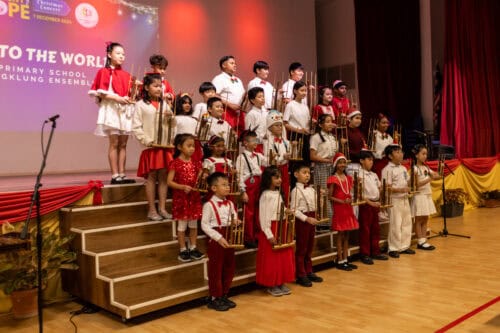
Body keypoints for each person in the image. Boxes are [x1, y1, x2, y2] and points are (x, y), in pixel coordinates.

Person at [88, 42, 136, 184]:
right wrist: (117, 98)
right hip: (112, 109)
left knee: (123, 144)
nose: (122, 56)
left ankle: (122, 174)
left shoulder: (126, 75)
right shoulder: (103, 72)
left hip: (124, 110)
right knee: (114, 143)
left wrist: (133, 92)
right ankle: (115, 175)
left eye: (123, 54)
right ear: (109, 54)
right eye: (118, 53)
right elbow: (101, 93)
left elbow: (131, 93)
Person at [133, 73, 175, 221]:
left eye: (160, 86)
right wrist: (146, 140)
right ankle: (151, 210)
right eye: (155, 86)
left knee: (164, 177)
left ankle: (162, 208)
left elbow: (172, 125)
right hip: (151, 146)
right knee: (151, 177)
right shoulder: (140, 105)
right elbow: (136, 126)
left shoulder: (165, 105)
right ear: (146, 87)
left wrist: (171, 123)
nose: (159, 89)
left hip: (164, 146)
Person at [201, 172, 239, 311]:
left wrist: (236, 221)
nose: (228, 187)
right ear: (214, 188)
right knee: (216, 269)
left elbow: (234, 218)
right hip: (217, 237)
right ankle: (214, 297)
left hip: (229, 235)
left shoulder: (229, 203)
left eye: (228, 184)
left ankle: (224, 293)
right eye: (224, 185)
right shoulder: (209, 205)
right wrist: (218, 237)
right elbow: (204, 225)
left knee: (229, 266)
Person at [256, 166, 295, 296]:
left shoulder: (279, 193)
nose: (279, 180)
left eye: (280, 177)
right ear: (268, 179)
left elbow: (279, 210)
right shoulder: (265, 195)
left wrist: (286, 211)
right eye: (276, 177)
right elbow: (263, 217)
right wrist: (269, 234)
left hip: (281, 226)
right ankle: (271, 284)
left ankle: (280, 281)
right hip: (271, 228)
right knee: (272, 258)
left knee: (282, 257)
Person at [167, 134, 205, 262]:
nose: (192, 149)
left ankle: (193, 247)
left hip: (193, 198)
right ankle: (183, 249)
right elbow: (169, 182)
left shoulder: (196, 163)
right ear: (179, 147)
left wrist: (202, 176)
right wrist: (182, 187)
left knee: (193, 225)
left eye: (193, 146)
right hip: (181, 199)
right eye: (188, 146)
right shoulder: (175, 163)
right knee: (182, 226)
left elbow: (199, 178)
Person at [290, 163, 324, 287]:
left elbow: (316, 203)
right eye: (304, 172)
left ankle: (308, 270)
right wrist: (306, 218)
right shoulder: (295, 191)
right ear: (296, 174)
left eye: (309, 173)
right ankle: (300, 274)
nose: (307, 175)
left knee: (310, 247)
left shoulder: (311, 189)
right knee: (302, 248)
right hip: (303, 221)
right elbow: (294, 210)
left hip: (312, 217)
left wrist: (320, 197)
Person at [327, 153, 359, 271]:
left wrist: (349, 199)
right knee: (340, 235)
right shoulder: (333, 179)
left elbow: (349, 192)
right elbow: (329, 197)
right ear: (335, 165)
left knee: (347, 235)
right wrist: (341, 201)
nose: (342, 165)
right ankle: (339, 260)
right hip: (340, 208)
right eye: (340, 163)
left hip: (348, 207)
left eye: (344, 163)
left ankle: (346, 259)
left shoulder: (348, 178)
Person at [381, 144, 414, 258]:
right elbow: (386, 187)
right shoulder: (387, 170)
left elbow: (408, 181)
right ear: (390, 156)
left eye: (401, 152)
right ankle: (393, 248)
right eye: (397, 152)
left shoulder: (403, 168)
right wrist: (401, 189)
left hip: (404, 198)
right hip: (394, 200)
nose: (401, 154)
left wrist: (414, 178)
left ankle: (404, 246)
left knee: (407, 223)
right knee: (395, 224)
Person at [235, 130, 266, 248]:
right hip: (249, 185)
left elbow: (269, 162)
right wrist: (243, 191)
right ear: (245, 143)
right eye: (253, 141)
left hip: (259, 184)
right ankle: (249, 237)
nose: (255, 143)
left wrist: (283, 156)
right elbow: (239, 175)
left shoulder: (258, 155)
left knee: (258, 211)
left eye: (256, 140)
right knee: (249, 213)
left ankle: (258, 236)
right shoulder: (241, 158)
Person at [357, 150, 388, 264]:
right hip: (365, 204)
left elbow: (379, 188)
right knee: (365, 230)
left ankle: (375, 251)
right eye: (369, 160)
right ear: (361, 161)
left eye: (372, 160)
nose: (371, 162)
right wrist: (370, 202)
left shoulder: (374, 174)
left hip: (375, 203)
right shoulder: (359, 175)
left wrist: (382, 192)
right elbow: (359, 194)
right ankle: (365, 254)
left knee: (375, 229)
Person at [309, 114, 337, 230]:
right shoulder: (316, 137)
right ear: (320, 124)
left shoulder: (332, 137)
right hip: (321, 167)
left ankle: (332, 222)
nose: (330, 124)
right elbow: (312, 156)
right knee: (322, 194)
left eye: (331, 121)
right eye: (327, 121)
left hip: (332, 167)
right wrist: (327, 160)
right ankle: (322, 223)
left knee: (332, 194)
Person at [411, 144, 440, 250]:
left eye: (426, 154)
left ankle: (424, 239)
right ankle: (420, 241)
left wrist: (435, 175)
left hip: (427, 195)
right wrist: (430, 178)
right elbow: (416, 184)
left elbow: (436, 175)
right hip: (419, 196)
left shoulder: (426, 167)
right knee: (419, 219)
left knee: (426, 218)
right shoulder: (414, 168)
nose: (425, 156)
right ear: (416, 155)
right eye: (423, 154)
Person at [212, 55, 246, 132]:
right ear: (224, 65)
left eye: (235, 63)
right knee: (228, 134)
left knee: (240, 136)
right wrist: (230, 104)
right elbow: (214, 96)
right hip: (226, 111)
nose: (235, 65)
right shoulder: (219, 79)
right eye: (232, 63)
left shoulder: (238, 80)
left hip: (239, 113)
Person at [264, 110, 291, 203]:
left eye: (280, 125)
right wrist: (283, 157)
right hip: (274, 170)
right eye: (276, 125)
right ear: (270, 127)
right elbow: (269, 159)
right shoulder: (267, 141)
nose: (279, 127)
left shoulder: (284, 140)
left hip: (284, 169)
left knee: (285, 190)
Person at [283, 81, 311, 163]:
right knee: (296, 160)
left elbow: (307, 122)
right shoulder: (290, 105)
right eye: (302, 90)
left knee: (305, 159)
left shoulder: (305, 106)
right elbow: (285, 123)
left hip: (305, 135)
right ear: (295, 91)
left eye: (305, 90)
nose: (304, 93)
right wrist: (298, 130)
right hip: (294, 135)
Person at [174, 93, 203, 164]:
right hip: (181, 147)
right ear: (178, 104)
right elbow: (173, 134)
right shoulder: (175, 118)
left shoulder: (194, 120)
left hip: (194, 147)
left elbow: (198, 134)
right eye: (184, 103)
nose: (188, 105)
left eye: (189, 103)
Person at [245, 87, 268, 153]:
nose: (262, 98)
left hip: (266, 144)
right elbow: (249, 134)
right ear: (252, 100)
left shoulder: (266, 112)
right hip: (257, 146)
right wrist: (261, 139)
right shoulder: (251, 114)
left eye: (263, 96)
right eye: (259, 97)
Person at [372, 113, 394, 178]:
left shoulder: (389, 137)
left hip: (389, 163)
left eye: (387, 123)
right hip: (378, 164)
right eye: (383, 123)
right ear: (377, 124)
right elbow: (372, 151)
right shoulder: (373, 135)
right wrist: (383, 153)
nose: (386, 125)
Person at [346, 108, 365, 175]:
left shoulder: (359, 132)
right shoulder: (345, 131)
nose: (359, 120)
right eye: (357, 118)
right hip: (350, 164)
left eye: (360, 118)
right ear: (349, 119)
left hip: (360, 163)